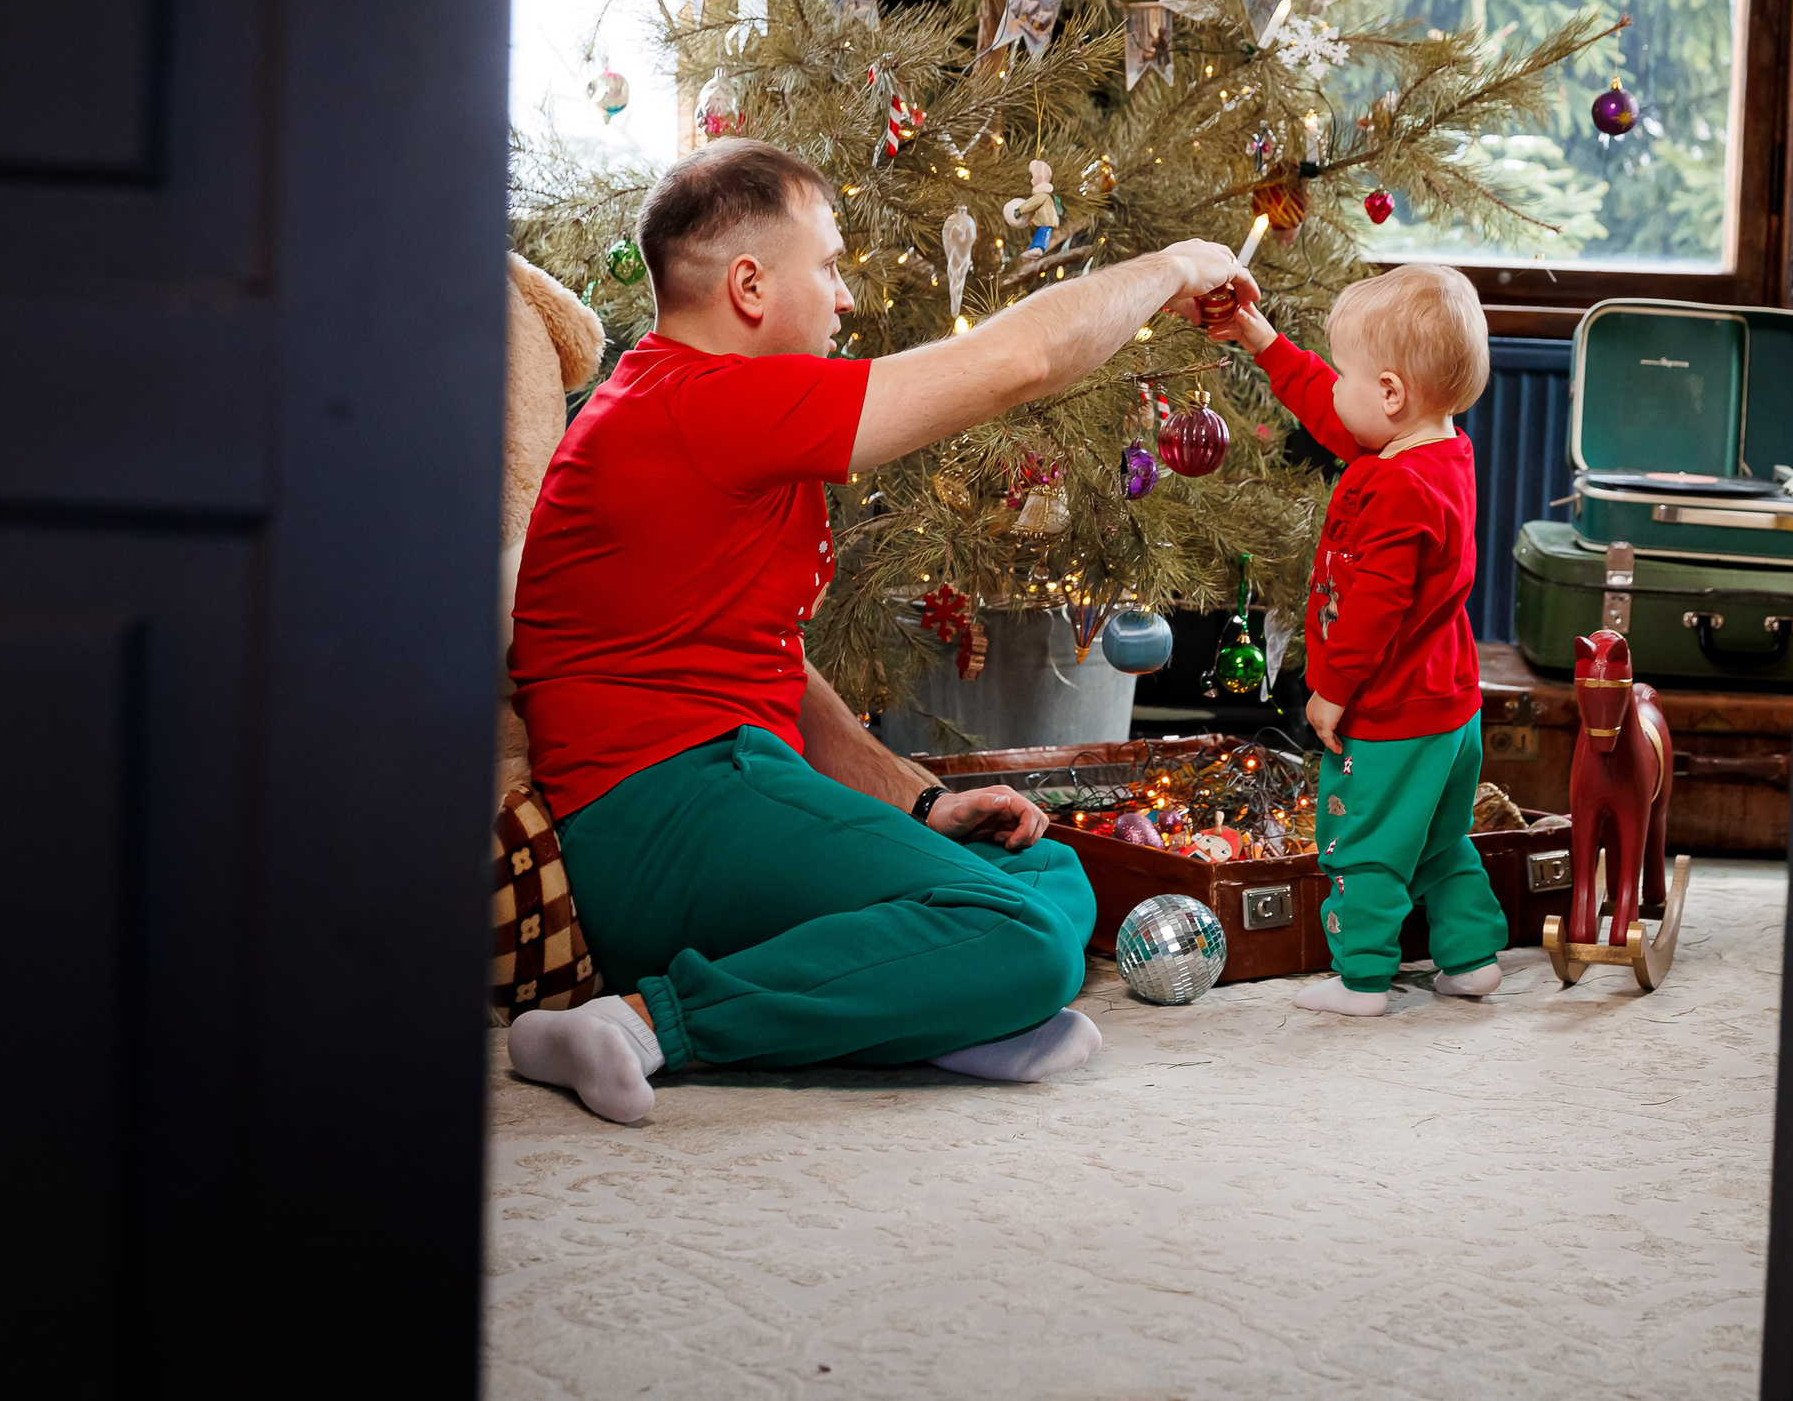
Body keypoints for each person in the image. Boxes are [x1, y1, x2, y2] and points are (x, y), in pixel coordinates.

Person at [505, 138, 1246, 1121]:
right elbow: (1018, 361)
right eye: (829, 266)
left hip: (734, 783)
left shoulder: (694, 406)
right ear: (749, 286)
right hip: (662, 813)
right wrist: (1175, 266)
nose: (845, 297)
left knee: (1048, 870)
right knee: (1021, 938)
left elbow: (771, 659)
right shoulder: (700, 402)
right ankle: (643, 1025)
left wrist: (918, 802)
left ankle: (930, 1016)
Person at [1199, 265, 1507, 1016]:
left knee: (1363, 838)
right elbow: (1336, 417)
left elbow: (1374, 608)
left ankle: (1363, 977)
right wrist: (1262, 341)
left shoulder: (1396, 488)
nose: (1335, 391)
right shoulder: (1437, 450)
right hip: (1450, 703)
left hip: (1393, 707)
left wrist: (1331, 691)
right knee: (1439, 838)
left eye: (1346, 376)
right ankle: (1471, 959)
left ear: (1392, 392)